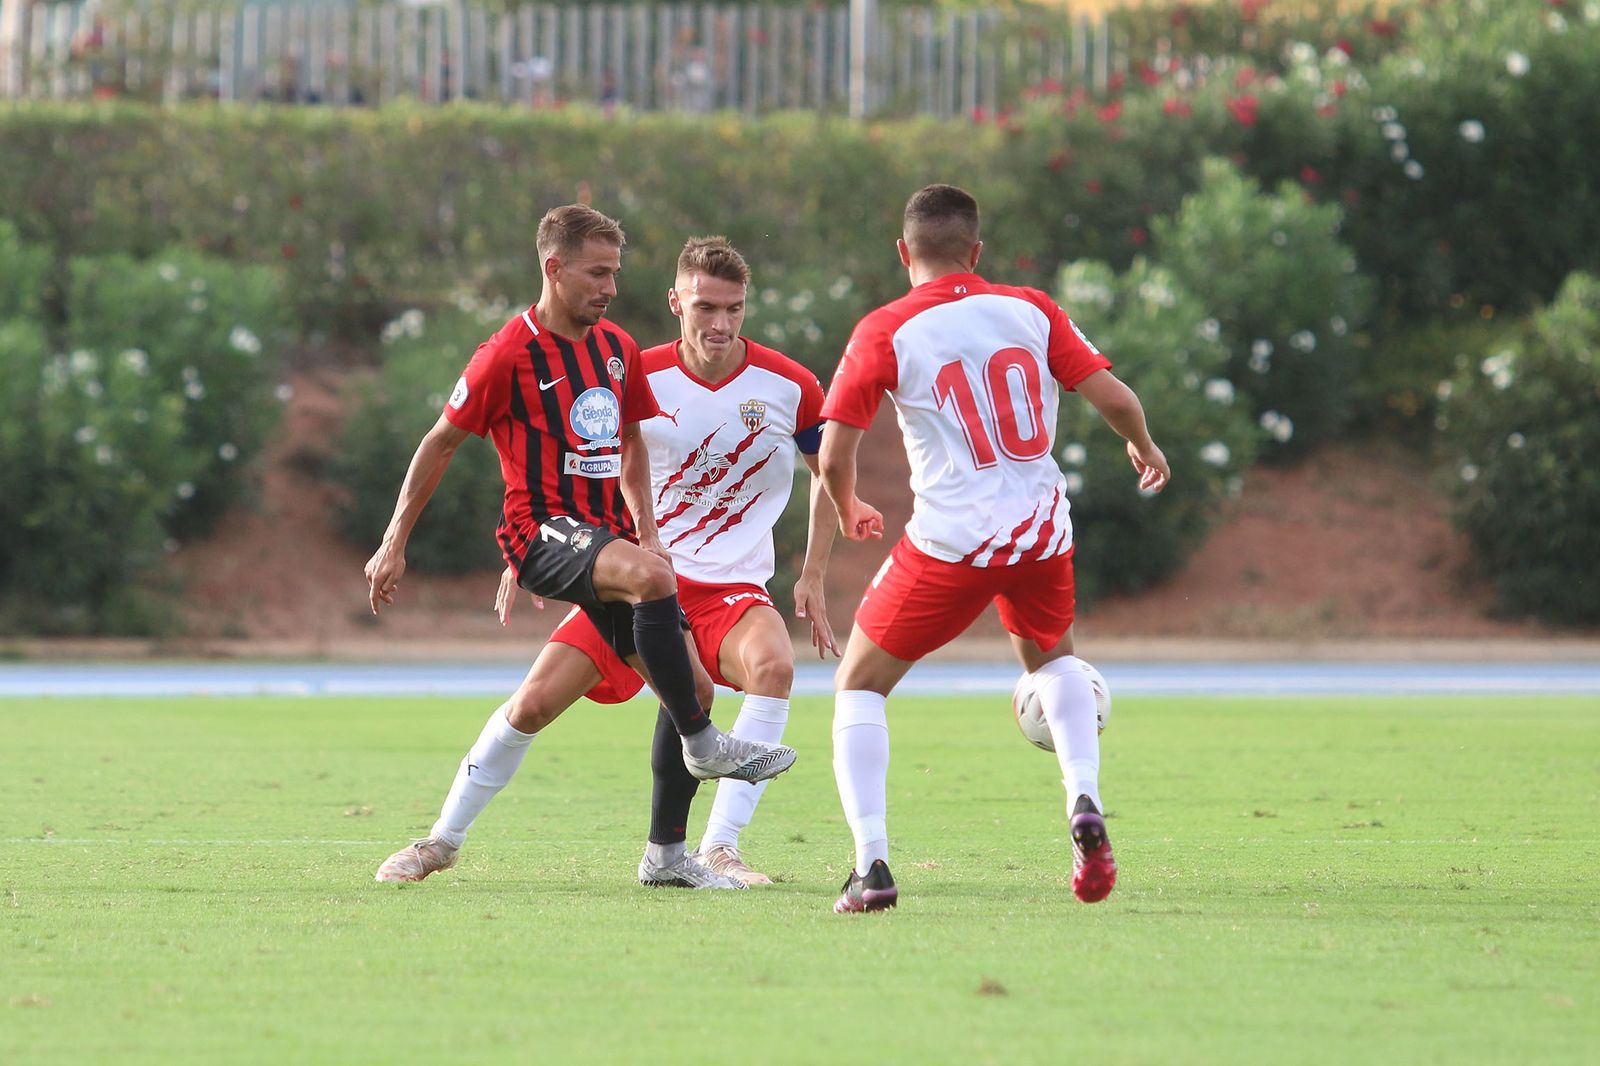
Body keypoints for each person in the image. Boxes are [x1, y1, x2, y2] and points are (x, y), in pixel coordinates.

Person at [365, 206, 797, 889]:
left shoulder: (617, 348)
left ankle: (665, 857)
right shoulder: (507, 353)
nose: (610, 287)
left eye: (615, 273)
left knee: (690, 687)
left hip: (607, 556)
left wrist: (648, 533)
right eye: (598, 273)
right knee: (653, 619)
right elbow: (438, 443)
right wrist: (394, 542)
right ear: (554, 269)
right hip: (540, 533)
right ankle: (439, 840)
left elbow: (628, 442)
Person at [818, 184, 1171, 913]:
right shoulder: (1031, 309)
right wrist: (1144, 447)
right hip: (1040, 532)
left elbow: (834, 449)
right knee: (1054, 660)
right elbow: (1114, 399)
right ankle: (1083, 799)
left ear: (902, 252)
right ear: (976, 252)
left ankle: (872, 866)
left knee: (858, 685)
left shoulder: (884, 328)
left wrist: (848, 502)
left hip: (951, 541)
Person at [495, 235, 840, 887]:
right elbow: (570, 466)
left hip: (733, 589)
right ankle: (440, 838)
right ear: (675, 301)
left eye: (734, 309)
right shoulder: (628, 370)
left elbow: (830, 473)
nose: (721, 322)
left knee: (773, 666)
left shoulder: (789, 383)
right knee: (534, 703)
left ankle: (718, 848)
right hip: (635, 585)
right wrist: (530, 548)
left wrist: (815, 573)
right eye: (707, 307)